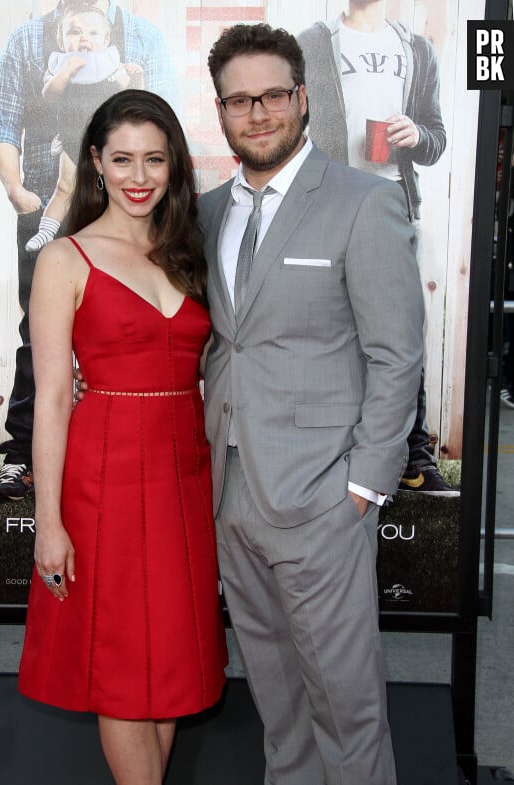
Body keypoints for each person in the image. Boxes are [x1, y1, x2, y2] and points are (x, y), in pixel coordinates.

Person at [200, 23, 423, 784]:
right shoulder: (205, 213)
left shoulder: (363, 202)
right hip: (232, 498)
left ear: (302, 99)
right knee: (278, 702)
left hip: (324, 500)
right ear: (222, 112)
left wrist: (362, 486)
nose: (256, 113)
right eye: (238, 100)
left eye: (271, 96)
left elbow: (395, 352)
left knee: (347, 706)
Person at [17, 89, 227, 785]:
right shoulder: (65, 260)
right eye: (123, 159)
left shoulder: (191, 248)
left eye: (155, 160)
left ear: (174, 166)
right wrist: (48, 522)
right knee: (119, 662)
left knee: (166, 661)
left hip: (183, 479)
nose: (140, 176)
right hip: (101, 479)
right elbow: (50, 397)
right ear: (96, 164)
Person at [0, 0, 178, 501]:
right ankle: (23, 455)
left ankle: (137, 451)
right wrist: (15, 189)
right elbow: (2, 122)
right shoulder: (29, 41)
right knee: (38, 331)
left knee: (134, 324)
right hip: (53, 195)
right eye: (78, 31)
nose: (85, 35)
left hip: (131, 203)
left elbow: (167, 120)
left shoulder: (142, 39)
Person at [298, 0, 456, 496]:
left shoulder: (416, 49)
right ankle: (329, 452)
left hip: (392, 207)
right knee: (326, 332)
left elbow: (437, 138)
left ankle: (415, 458)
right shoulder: (312, 43)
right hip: (326, 208)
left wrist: (417, 135)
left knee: (401, 336)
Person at [25, 2, 143, 254]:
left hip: (107, 142)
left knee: (108, 191)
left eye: (92, 33)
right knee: (64, 187)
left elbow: (130, 95)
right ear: (61, 38)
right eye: (74, 32)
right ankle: (46, 231)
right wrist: (66, 71)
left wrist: (134, 77)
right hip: (71, 136)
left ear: (106, 39)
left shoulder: (110, 62)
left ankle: (118, 241)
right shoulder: (59, 63)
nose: (83, 39)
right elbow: (50, 95)